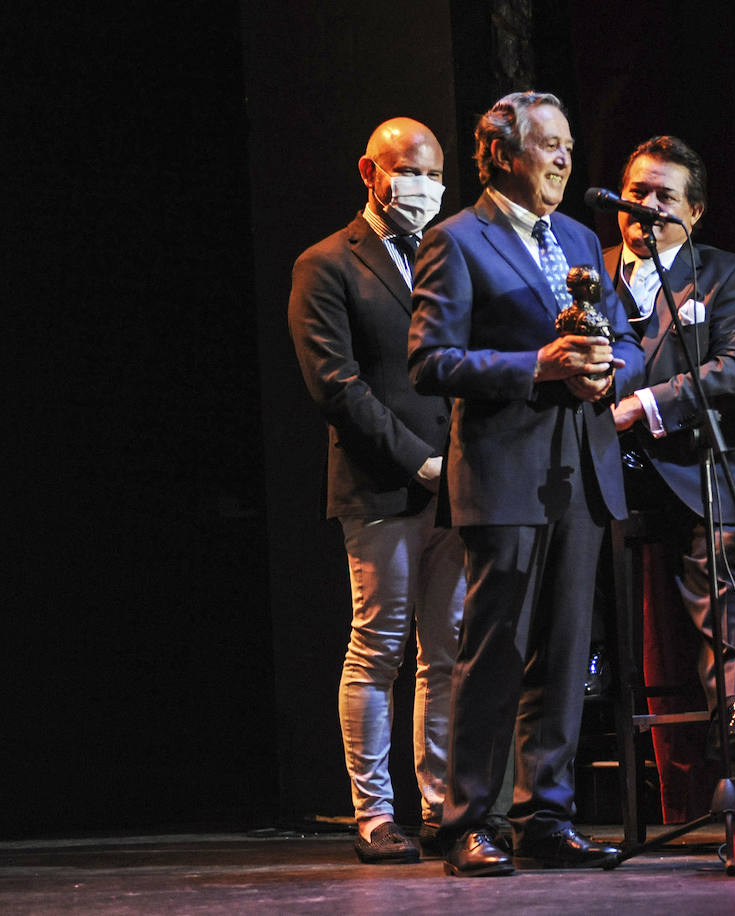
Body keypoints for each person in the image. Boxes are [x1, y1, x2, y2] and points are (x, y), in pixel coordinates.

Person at [408, 91, 643, 877]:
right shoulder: (456, 240)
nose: (565, 159)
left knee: (567, 650)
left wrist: (611, 370)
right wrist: (534, 367)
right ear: (504, 153)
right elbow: (431, 362)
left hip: (579, 469)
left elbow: (629, 343)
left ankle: (549, 813)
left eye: (570, 145)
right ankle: (471, 816)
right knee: (496, 650)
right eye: (548, 145)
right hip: (504, 473)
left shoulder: (579, 235)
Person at [287, 117, 464, 865]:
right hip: (383, 487)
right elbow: (337, 387)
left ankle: (442, 803)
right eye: (407, 171)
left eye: (433, 173)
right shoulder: (326, 262)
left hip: (461, 485)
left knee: (447, 652)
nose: (421, 187)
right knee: (379, 648)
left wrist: (459, 462)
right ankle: (375, 814)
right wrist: (420, 462)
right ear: (371, 171)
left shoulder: (451, 252)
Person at [604, 136, 735, 756]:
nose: (644, 206)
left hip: (698, 463)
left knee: (723, 571)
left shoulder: (731, 272)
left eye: (662, 197)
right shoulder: (584, 267)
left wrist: (644, 405)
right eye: (636, 193)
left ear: (694, 212)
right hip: (604, 465)